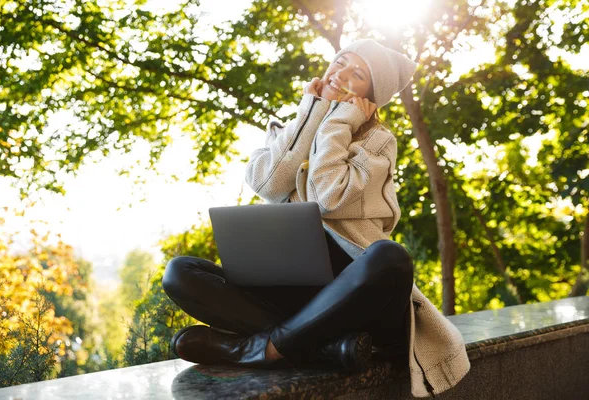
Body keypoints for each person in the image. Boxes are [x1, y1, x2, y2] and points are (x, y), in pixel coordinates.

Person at [162, 39, 470, 397]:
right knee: (180, 272)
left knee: (391, 258)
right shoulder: (294, 124)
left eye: (358, 74)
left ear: (370, 95)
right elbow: (268, 183)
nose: (341, 73)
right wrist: (310, 114)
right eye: (340, 62)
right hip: (298, 297)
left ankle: (265, 347)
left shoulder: (377, 141)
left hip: (358, 298)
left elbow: (329, 197)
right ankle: (325, 349)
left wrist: (337, 121)